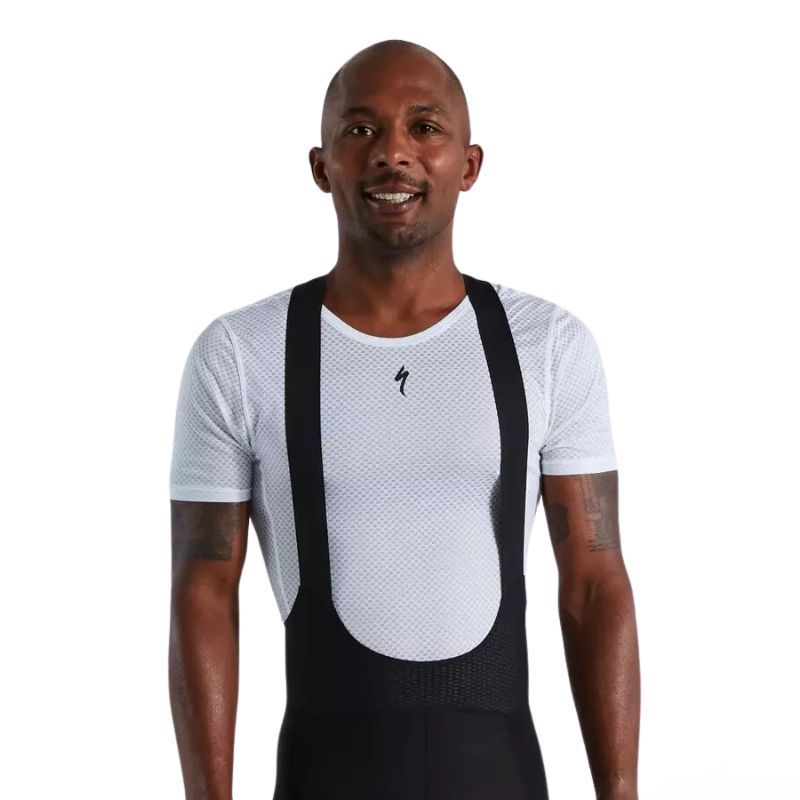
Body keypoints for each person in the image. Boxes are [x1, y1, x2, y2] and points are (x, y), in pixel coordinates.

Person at [168, 38, 640, 800]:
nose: (393, 153)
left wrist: (620, 792)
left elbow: (594, 584)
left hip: (501, 777)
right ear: (321, 166)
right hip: (325, 776)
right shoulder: (241, 354)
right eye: (360, 129)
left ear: (470, 164)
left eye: (425, 127)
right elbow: (202, 591)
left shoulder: (548, 345)